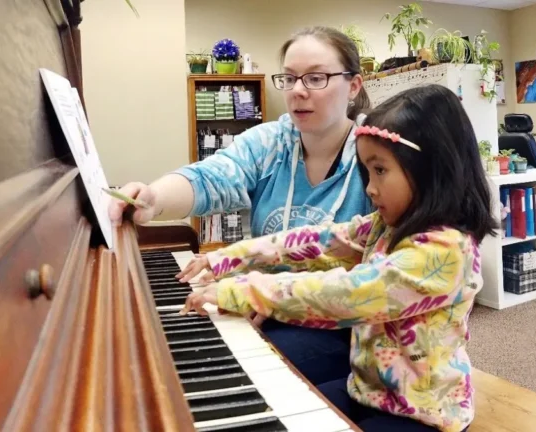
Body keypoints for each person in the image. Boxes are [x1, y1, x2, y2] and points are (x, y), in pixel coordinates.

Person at [178, 84, 498, 432]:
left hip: (423, 415)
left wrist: (244, 290)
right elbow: (319, 241)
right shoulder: (387, 225)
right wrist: (228, 258)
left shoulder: (444, 250)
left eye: (380, 171)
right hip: (367, 392)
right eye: (366, 171)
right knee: (276, 410)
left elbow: (347, 293)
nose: (370, 188)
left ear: (430, 169)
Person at [109, 26, 374, 385]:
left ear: (354, 86)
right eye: (290, 78)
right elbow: (212, 176)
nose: (297, 91)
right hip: (261, 301)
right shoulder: (271, 141)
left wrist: (265, 296)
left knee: (232, 375)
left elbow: (376, 274)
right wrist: (153, 200)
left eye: (316, 78)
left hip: (344, 323)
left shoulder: (376, 155)